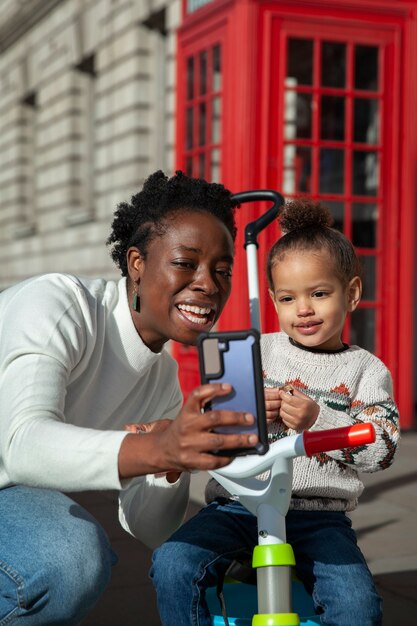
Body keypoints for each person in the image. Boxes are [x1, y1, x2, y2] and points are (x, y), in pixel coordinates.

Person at [0, 170, 260, 626]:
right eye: (186, 262)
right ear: (137, 262)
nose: (208, 284)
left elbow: (151, 527)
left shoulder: (162, 382)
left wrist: (171, 465)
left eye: (222, 271)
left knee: (74, 557)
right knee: (67, 557)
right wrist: (158, 445)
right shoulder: (61, 304)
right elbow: (22, 442)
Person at [150, 198, 400, 626]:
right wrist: (243, 410)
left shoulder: (365, 369)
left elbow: (384, 447)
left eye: (319, 294)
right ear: (273, 300)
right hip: (239, 504)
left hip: (318, 514)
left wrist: (319, 418)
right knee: (173, 563)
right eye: (288, 298)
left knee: (357, 605)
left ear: (352, 293)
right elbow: (213, 423)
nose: (303, 309)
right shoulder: (258, 351)